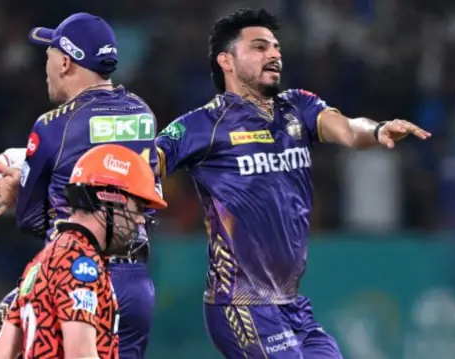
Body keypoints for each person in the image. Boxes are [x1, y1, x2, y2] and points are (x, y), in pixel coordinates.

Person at [153, 8, 431, 358]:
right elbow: (149, 162)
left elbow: (346, 128)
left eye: (276, 48)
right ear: (226, 60)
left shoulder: (298, 106)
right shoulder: (202, 126)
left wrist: (376, 130)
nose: (273, 54)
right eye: (259, 47)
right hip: (240, 302)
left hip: (292, 305)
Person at [0, 12, 163, 359]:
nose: (44, 65)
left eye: (48, 54)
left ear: (65, 62)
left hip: (72, 275)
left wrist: (17, 191)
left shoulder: (53, 126)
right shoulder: (142, 114)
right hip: (135, 282)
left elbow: (34, 222)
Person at [0, 144, 167, 359]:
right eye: (137, 207)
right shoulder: (81, 265)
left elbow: (0, 355)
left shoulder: (41, 261)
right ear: (110, 199)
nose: (140, 219)